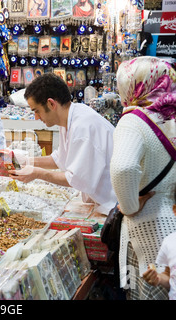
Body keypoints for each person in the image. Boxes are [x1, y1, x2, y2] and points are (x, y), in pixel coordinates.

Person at [110, 56, 176, 300]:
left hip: (149, 230)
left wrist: (129, 206)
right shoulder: (170, 119)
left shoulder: (133, 121)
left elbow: (123, 168)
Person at [8, 72, 117, 215]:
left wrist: (37, 173)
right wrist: (26, 161)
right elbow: (59, 159)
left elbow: (77, 179)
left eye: (37, 111)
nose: (36, 117)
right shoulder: (70, 118)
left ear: (51, 104)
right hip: (102, 203)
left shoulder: (83, 126)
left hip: (113, 204)